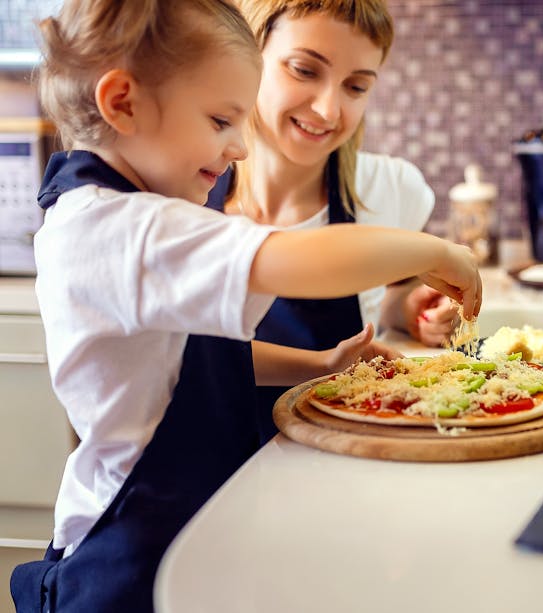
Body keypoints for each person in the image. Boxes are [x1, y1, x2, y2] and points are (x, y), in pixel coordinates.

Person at [10, 1, 480, 611]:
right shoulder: (125, 228)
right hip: (130, 554)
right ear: (122, 102)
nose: (237, 147)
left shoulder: (121, 216)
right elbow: (295, 257)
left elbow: (191, 362)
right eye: (219, 120)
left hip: (192, 524)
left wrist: (316, 366)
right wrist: (437, 252)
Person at [218, 0, 460, 443]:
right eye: (305, 70)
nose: (329, 110)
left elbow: (383, 301)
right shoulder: (185, 198)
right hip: (213, 479)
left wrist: (410, 310)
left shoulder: (391, 188)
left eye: (356, 86)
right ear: (248, 54)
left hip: (342, 464)